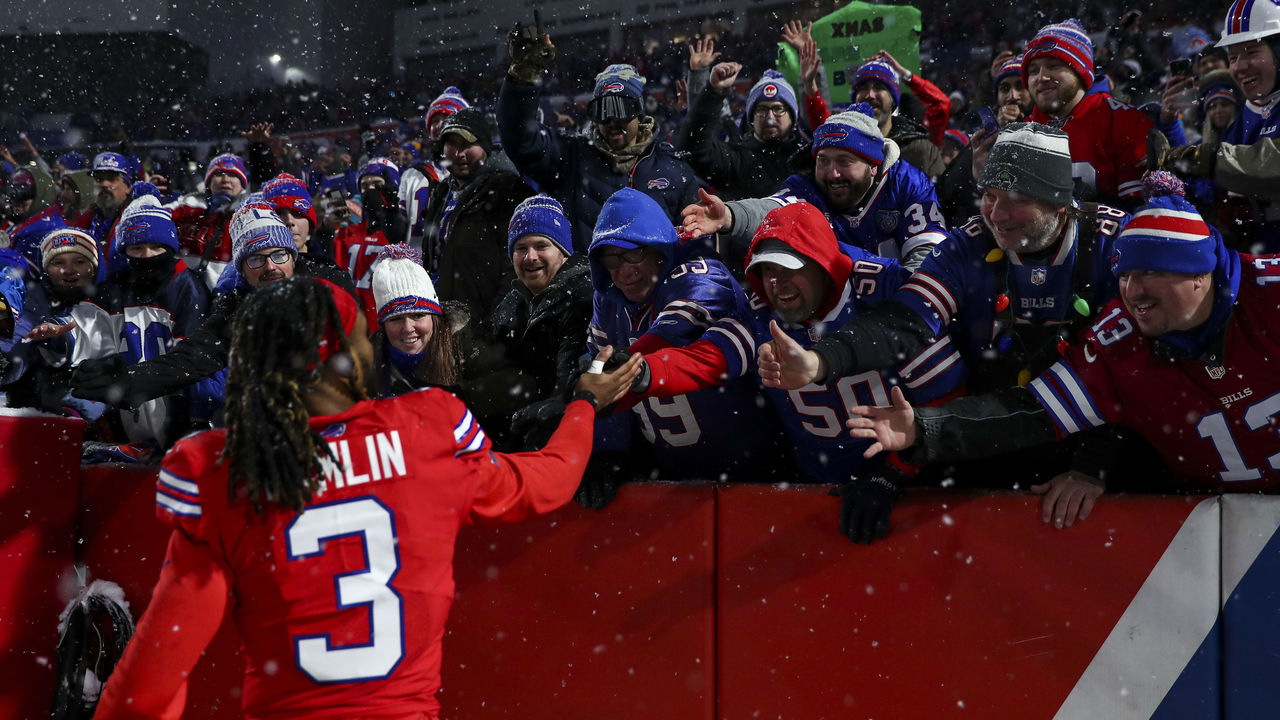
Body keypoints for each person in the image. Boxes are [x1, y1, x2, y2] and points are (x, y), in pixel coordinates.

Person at [93, 276, 642, 720]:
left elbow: (149, 685)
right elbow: (551, 480)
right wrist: (583, 405)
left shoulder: (227, 470)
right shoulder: (426, 430)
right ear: (348, 353)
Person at [757, 124, 1162, 525]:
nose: (996, 215)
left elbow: (1137, 371)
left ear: (1058, 204)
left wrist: (1093, 465)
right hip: (991, 438)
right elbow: (905, 321)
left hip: (1093, 449)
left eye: (1015, 198)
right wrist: (819, 363)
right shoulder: (969, 243)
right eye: (988, 195)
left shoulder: (1116, 244)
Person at [845, 178, 1280, 526]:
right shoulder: (1117, 340)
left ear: (1199, 275)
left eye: (1150, 272)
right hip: (1211, 520)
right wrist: (925, 429)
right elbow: (1030, 412)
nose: (1133, 293)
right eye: (1125, 274)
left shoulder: (1269, 299)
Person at [620, 201, 966, 543]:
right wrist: (641, 372)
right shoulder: (761, 314)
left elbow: (946, 392)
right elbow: (710, 357)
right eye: (766, 270)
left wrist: (894, 474)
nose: (776, 283)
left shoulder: (886, 291)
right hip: (813, 485)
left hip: (916, 485)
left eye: (788, 269)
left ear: (822, 263)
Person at [581, 187, 778, 506]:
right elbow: (597, 359)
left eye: (634, 253)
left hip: (751, 472)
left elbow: (671, 335)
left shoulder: (699, 271)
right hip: (672, 478)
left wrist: (592, 392)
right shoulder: (607, 296)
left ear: (659, 249)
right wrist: (609, 448)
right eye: (612, 258)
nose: (624, 270)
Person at [69, 204, 357, 416]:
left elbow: (369, 349)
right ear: (242, 270)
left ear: (293, 257)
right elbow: (192, 358)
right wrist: (129, 382)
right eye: (256, 259)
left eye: (279, 255)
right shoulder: (239, 309)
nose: (271, 268)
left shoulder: (332, 284)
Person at [499, 27, 702, 251]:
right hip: (588, 284)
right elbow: (520, 139)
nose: (613, 121)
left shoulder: (673, 169)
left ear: (640, 113)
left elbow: (696, 245)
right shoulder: (570, 157)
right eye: (604, 111)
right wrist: (524, 75)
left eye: (623, 109)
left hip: (657, 283)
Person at [682, 105, 946, 272]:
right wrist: (729, 216)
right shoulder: (808, 186)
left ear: (874, 165)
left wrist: (899, 304)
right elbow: (773, 211)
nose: (832, 173)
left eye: (845, 161)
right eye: (823, 160)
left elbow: (930, 260)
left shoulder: (907, 184)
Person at [47, 196, 212, 449]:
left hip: (179, 418)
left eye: (156, 246)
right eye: (137, 249)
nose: (147, 256)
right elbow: (86, 325)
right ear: (125, 251)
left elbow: (194, 363)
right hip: (129, 416)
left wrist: (190, 420)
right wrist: (58, 335)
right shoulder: (117, 288)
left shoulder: (189, 289)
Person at [1148, 0, 1280, 251]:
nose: (1240, 66)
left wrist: (1204, 159)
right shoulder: (1247, 116)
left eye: (1251, 52)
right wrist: (1170, 133)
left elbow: (1271, 164)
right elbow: (1205, 185)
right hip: (1252, 267)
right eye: (1232, 57)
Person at [477, 195, 594, 450]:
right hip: (516, 434)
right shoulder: (514, 299)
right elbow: (486, 365)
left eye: (541, 246)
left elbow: (572, 382)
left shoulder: (583, 297)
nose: (530, 257)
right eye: (521, 248)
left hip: (562, 441)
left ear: (562, 251)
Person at [1018, 18, 1154, 206]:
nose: (1041, 77)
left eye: (1053, 65)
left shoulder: (1124, 120)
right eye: (1033, 71)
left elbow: (1139, 215)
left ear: (1079, 70)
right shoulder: (1020, 132)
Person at [421, 109, 533, 320]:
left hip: (481, 322)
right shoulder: (442, 191)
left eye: (467, 145)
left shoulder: (508, 189)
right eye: (451, 144)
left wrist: (496, 322)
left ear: (485, 146)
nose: (459, 153)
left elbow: (516, 267)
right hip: (441, 317)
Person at [677, 64, 809, 201]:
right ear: (751, 117)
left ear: (792, 116)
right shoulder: (735, 158)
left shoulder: (807, 160)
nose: (770, 117)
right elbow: (692, 148)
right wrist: (714, 92)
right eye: (762, 109)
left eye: (778, 109)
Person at [368, 243, 456, 397]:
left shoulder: (466, 351)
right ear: (384, 325)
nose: (408, 328)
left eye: (418, 315)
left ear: (434, 316)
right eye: (396, 319)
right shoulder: (366, 365)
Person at [333, 157, 410, 328]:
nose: (370, 190)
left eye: (377, 184)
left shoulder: (407, 230)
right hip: (356, 324)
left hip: (392, 322)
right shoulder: (347, 231)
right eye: (365, 186)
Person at [171, 152, 252, 290]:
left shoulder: (246, 211)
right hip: (180, 293)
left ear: (243, 184)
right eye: (219, 174)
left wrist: (258, 147)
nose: (225, 179)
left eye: (233, 175)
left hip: (222, 296)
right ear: (209, 181)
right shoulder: (187, 204)